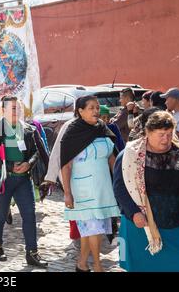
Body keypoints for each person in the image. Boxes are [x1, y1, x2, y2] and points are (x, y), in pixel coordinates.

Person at [113, 111, 179, 272]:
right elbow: (120, 188)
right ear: (148, 132)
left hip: (177, 222)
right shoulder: (130, 155)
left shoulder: (178, 150)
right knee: (145, 267)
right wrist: (134, 213)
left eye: (170, 134)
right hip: (142, 224)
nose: (166, 139)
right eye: (161, 134)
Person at [0, 95, 48, 268]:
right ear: (3, 110)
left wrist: (29, 164)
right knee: (0, 215)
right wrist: (9, 166)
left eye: (18, 108)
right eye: (12, 108)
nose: (16, 111)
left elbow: (36, 152)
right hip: (2, 178)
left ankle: (32, 253)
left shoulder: (28, 129)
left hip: (23, 180)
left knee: (29, 215)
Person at [61, 95, 120, 272]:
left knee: (93, 229)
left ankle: (82, 264)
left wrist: (119, 180)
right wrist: (67, 192)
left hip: (103, 187)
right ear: (80, 111)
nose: (96, 111)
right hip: (83, 189)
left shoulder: (102, 129)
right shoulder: (72, 132)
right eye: (91, 108)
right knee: (93, 228)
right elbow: (66, 164)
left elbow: (112, 157)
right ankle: (98, 266)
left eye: (97, 107)